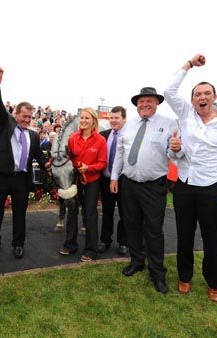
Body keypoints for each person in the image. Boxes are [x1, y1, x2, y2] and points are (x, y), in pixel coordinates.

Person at [164, 53, 217, 302]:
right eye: (197, 94)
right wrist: (189, 64)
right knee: (184, 235)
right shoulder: (186, 113)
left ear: (214, 97)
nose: (202, 97)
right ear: (192, 100)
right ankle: (184, 277)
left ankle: (214, 283)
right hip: (185, 185)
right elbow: (168, 90)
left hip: (212, 187)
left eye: (206, 94)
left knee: (212, 238)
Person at [110, 87, 177, 294]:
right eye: (141, 102)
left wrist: (176, 148)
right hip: (129, 184)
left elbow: (173, 155)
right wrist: (114, 177)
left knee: (154, 231)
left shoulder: (169, 125)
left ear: (157, 103)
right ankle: (137, 261)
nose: (144, 104)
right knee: (131, 226)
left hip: (153, 186)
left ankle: (157, 273)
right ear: (136, 105)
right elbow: (120, 154)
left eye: (149, 101)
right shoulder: (128, 126)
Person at [0, 66, 46, 259]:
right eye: (23, 116)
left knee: (20, 214)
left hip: (21, 179)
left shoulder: (34, 136)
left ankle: (18, 243)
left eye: (29, 116)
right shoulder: (5, 123)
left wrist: (46, 165)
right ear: (16, 114)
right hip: (1, 176)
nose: (27, 119)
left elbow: (38, 156)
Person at [58, 107, 107, 262]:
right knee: (71, 211)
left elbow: (103, 163)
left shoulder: (100, 140)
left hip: (92, 181)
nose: (84, 121)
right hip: (75, 180)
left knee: (90, 212)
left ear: (94, 120)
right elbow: (69, 158)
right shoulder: (72, 138)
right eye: (82, 118)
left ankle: (91, 249)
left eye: (87, 118)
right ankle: (70, 244)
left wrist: (89, 168)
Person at [98, 106, 128, 255]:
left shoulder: (130, 135)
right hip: (106, 180)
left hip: (124, 181)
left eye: (116, 118)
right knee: (107, 212)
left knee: (125, 212)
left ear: (124, 119)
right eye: (111, 118)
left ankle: (123, 242)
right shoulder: (103, 135)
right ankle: (105, 240)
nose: (113, 121)